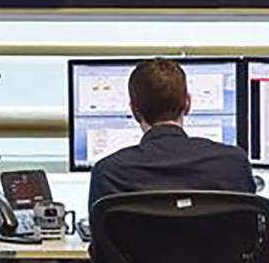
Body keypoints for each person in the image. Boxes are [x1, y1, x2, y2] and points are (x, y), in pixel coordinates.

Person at [88, 57, 256, 209]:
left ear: (134, 111)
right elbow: (250, 229)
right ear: (187, 104)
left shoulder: (109, 174)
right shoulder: (234, 163)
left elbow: (100, 233)